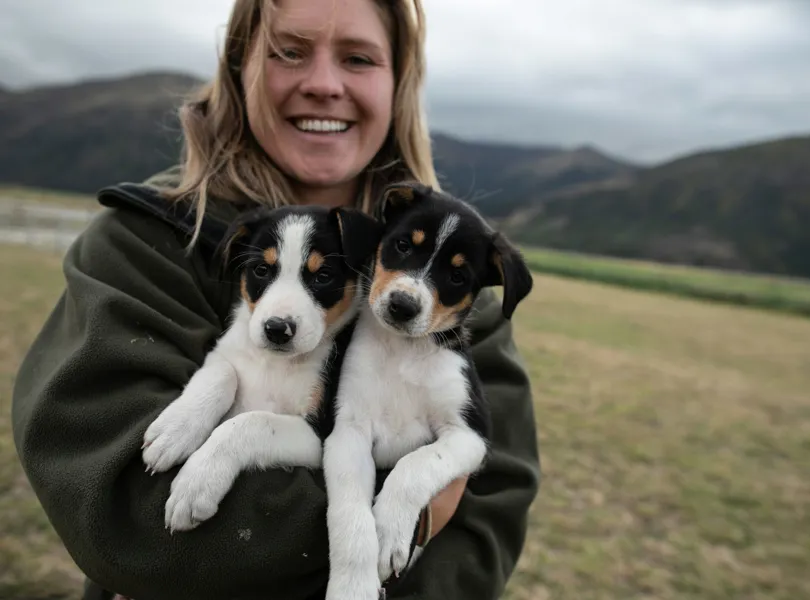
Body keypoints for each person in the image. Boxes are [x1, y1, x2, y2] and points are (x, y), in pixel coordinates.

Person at [11, 0, 540, 598]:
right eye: (289, 51)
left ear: (400, 84)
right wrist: (409, 521)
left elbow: (489, 523)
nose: (322, 84)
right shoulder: (141, 244)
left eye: (358, 58)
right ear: (242, 68)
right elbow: (124, 516)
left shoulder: (461, 308)